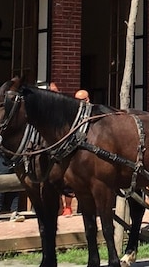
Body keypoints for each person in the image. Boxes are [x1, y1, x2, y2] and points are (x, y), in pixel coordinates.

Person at [62, 89, 90, 217]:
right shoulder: (71, 113)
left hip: (89, 151)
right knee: (69, 181)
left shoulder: (92, 112)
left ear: (87, 99)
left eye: (81, 100)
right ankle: (68, 207)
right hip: (73, 150)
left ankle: (84, 207)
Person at [0, 150, 25, 223]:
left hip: (13, 153)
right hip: (0, 154)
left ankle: (14, 212)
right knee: (0, 182)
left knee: (15, 182)